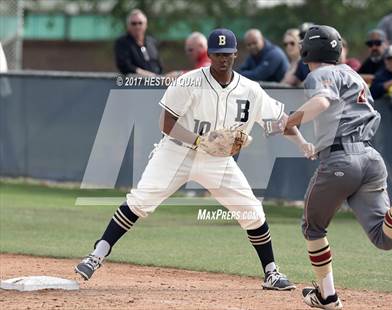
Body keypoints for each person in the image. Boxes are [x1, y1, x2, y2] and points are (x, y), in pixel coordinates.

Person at [75, 28, 314, 291]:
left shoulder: (251, 91)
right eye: (218, 53)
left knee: (252, 212)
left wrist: (303, 144)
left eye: (228, 53)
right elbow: (165, 123)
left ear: (236, 54)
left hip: (218, 161)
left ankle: (271, 272)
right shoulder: (188, 82)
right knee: (140, 200)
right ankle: (96, 255)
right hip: (177, 152)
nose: (223, 58)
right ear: (209, 54)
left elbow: (282, 121)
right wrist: (200, 141)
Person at [278, 25, 392, 310]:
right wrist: (312, 144)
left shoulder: (318, 74)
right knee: (384, 239)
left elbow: (323, 101)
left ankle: (328, 296)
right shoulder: (353, 74)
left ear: (308, 50)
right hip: (370, 157)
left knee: (313, 227)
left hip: (341, 160)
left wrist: (290, 121)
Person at [114, 9, 162, 76]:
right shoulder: (122, 42)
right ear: (128, 26)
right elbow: (125, 65)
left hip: (156, 82)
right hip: (135, 84)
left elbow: (158, 64)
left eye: (140, 23)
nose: (137, 26)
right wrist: (146, 74)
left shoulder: (151, 41)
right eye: (134, 23)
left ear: (146, 25)